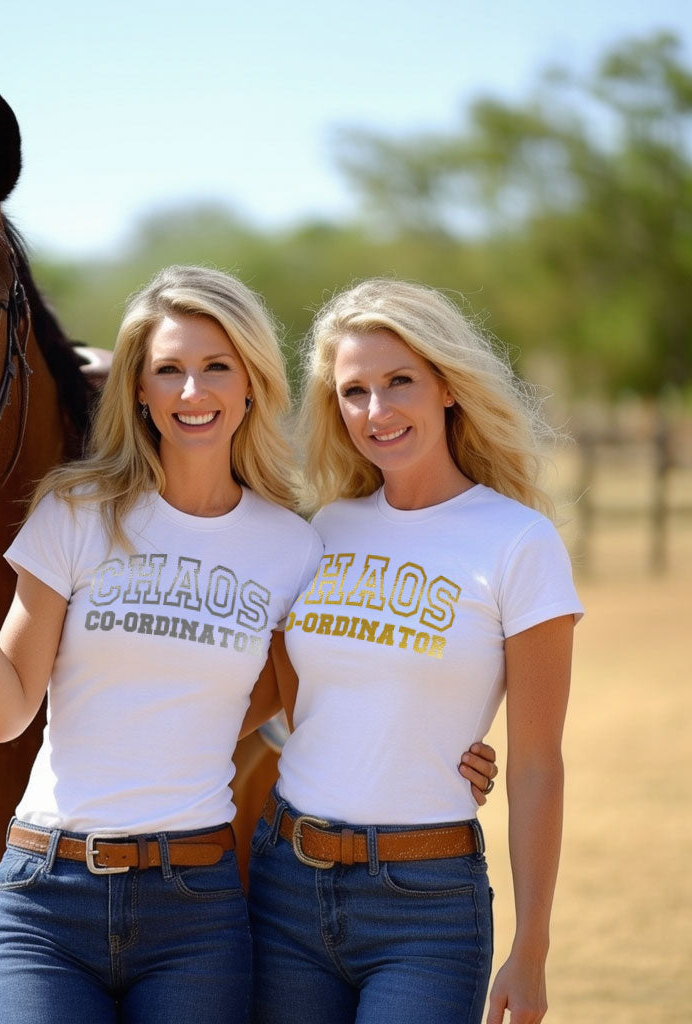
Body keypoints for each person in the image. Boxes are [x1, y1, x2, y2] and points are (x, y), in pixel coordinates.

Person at [0, 266, 498, 1023]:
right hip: (48, 898)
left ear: (250, 385)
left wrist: (445, 746)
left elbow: (321, 695)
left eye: (216, 368)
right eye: (168, 370)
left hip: (195, 910)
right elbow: (6, 712)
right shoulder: (75, 512)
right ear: (139, 389)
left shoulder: (291, 547)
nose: (192, 392)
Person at [248, 278, 582, 1024]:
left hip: (425, 907)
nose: (377, 410)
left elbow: (535, 765)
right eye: (354, 390)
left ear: (449, 388)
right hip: (284, 884)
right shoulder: (325, 529)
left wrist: (531, 950)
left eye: (400, 381)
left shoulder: (518, 543)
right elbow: (301, 703)